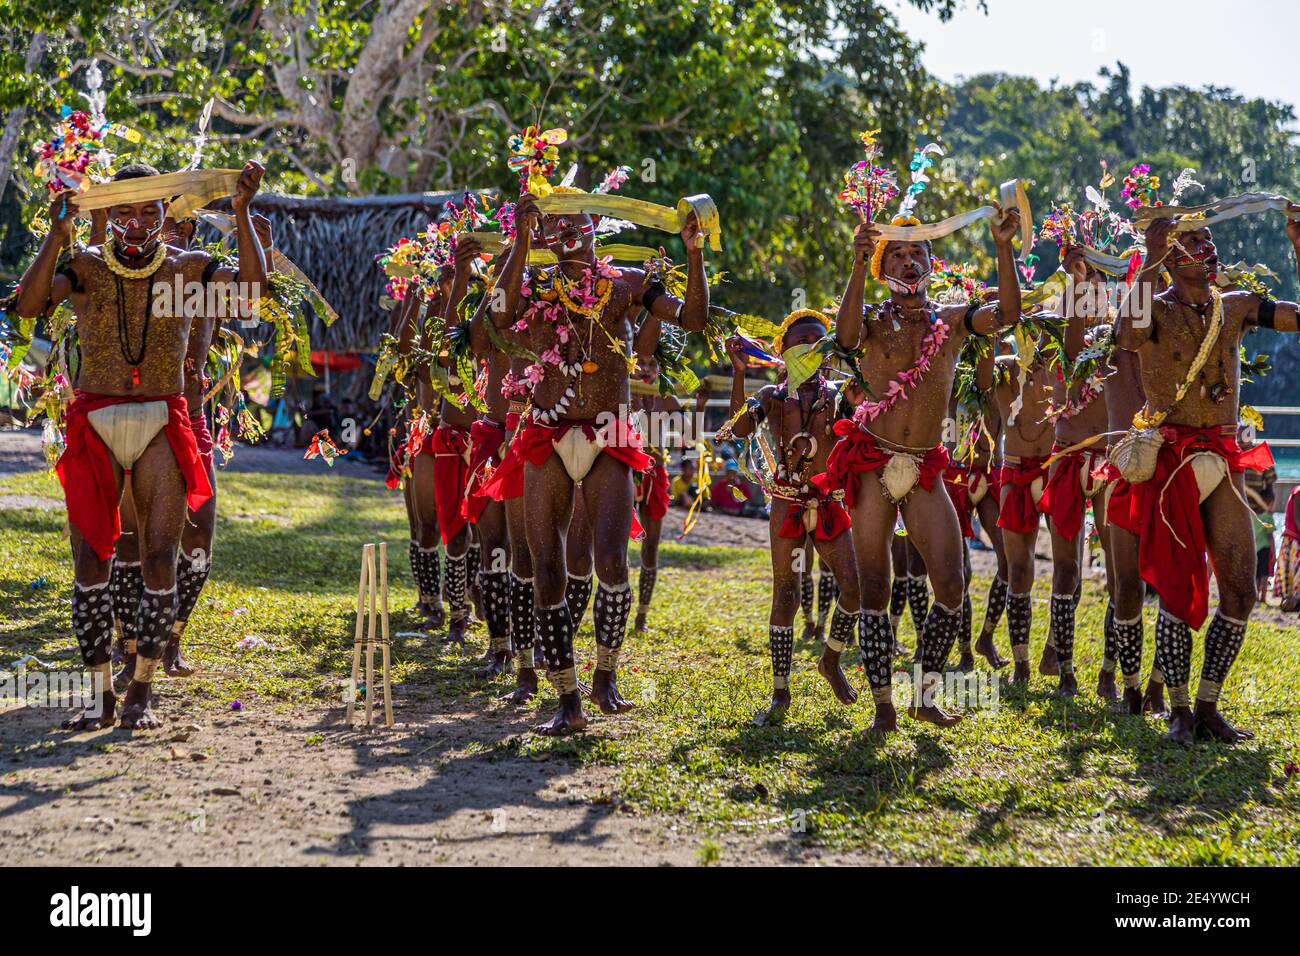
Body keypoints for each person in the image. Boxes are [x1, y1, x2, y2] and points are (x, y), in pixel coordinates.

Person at [16, 160, 265, 729]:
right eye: (122, 210)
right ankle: (100, 695)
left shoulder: (191, 268)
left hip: (162, 419)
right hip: (94, 418)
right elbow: (29, 308)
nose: (134, 221)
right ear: (107, 214)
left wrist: (243, 213)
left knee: (159, 557)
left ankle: (140, 695)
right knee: (91, 559)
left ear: (164, 213)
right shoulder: (83, 266)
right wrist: (57, 238)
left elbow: (249, 299)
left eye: (147, 209)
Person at [484, 186, 709, 734]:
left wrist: (694, 251)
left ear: (595, 227)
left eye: (576, 223)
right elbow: (495, 317)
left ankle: (606, 678)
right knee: (545, 566)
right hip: (546, 437)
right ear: (544, 236)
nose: (567, 233)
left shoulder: (626, 288)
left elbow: (695, 320)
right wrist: (518, 241)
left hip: (610, 437)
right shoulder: (531, 289)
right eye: (554, 227)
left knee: (611, 560)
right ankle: (568, 700)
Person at [830, 200, 1023, 734]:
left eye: (920, 252)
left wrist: (1003, 248)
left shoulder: (954, 321)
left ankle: (926, 692)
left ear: (932, 264)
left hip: (925, 467)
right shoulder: (868, 320)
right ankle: (884, 706)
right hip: (871, 462)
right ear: (882, 267)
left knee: (953, 584)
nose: (910, 261)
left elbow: (1008, 315)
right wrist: (855, 263)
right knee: (875, 587)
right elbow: (844, 343)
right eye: (899, 254)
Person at [1110, 207, 1300, 744]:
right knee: (1174, 590)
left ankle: (1208, 706)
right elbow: (1125, 335)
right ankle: (1176, 714)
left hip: (1221, 453)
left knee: (1240, 590)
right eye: (1189, 239)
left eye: (1207, 237)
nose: (1205, 246)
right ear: (1170, 253)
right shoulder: (1155, 310)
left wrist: (1298, 244)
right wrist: (1148, 255)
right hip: (1170, 461)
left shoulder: (1235, 306)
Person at [722, 316, 862, 724]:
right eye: (798, 342)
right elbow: (736, 428)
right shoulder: (771, 396)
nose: (807, 349)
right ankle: (780, 691)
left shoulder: (840, 394)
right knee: (786, 594)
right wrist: (738, 373)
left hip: (830, 500)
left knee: (852, 589)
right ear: (782, 352)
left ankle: (831, 660)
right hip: (786, 501)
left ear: (829, 350)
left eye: (816, 342)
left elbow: (867, 418)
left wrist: (859, 388)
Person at [1276, 484, 1300, 612]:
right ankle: (1291, 602)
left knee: (1291, 574)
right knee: (1294, 574)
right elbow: (1297, 519)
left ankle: (1290, 602)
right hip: (1294, 540)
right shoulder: (1298, 492)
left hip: (1293, 539)